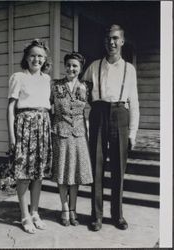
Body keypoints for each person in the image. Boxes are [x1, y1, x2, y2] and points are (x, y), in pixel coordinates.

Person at [82, 24, 139, 231]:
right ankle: (96, 216)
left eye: (115, 38)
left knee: (118, 170)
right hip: (98, 113)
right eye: (108, 39)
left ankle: (117, 216)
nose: (111, 43)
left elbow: (135, 102)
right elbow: (81, 91)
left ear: (122, 41)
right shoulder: (94, 66)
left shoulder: (129, 69)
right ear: (104, 42)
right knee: (96, 168)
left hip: (120, 114)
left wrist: (132, 132)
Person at [7, 39, 52, 234]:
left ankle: (35, 212)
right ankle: (24, 215)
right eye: (33, 55)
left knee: (38, 175)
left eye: (40, 56)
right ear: (26, 57)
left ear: (45, 59)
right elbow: (10, 108)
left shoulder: (47, 79)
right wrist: (11, 137)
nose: (37, 59)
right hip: (24, 127)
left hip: (43, 126)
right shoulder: (18, 77)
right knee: (23, 175)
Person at [50, 52, 93, 226]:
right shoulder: (55, 85)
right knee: (62, 173)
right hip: (60, 133)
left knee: (75, 174)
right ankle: (65, 208)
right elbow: (47, 106)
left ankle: (73, 209)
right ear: (64, 66)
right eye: (68, 65)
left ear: (80, 68)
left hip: (79, 134)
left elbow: (93, 108)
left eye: (75, 66)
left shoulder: (86, 86)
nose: (71, 68)